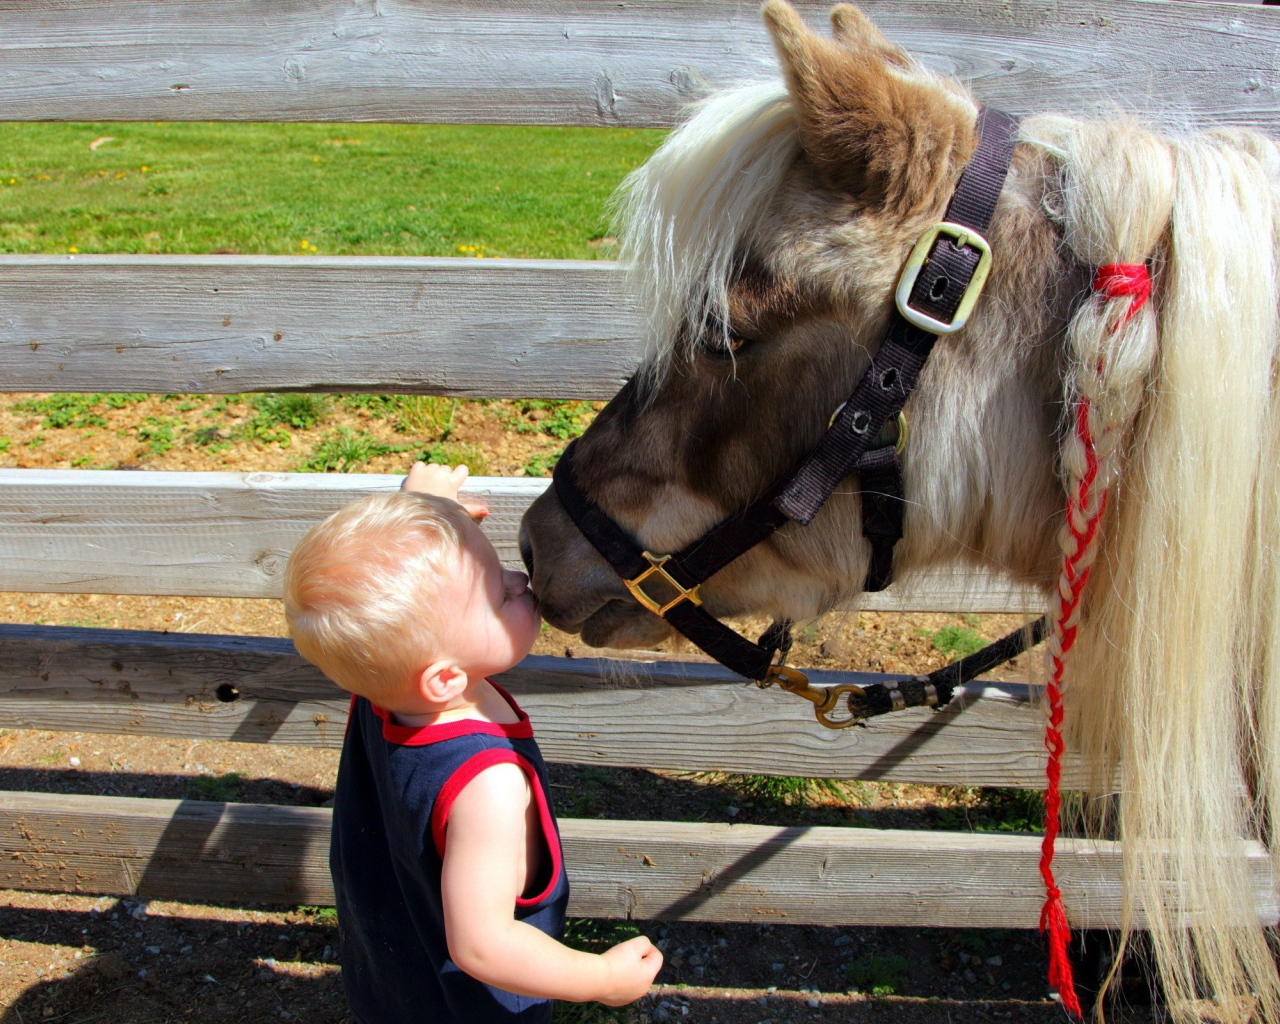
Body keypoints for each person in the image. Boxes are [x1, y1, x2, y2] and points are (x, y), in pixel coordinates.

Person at [284, 461, 663, 1023]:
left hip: (391, 967)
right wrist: (602, 979)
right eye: (497, 594)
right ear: (443, 678)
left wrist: (430, 510)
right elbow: (483, 945)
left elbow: (400, 608)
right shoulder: (487, 785)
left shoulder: (385, 685)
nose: (519, 580)